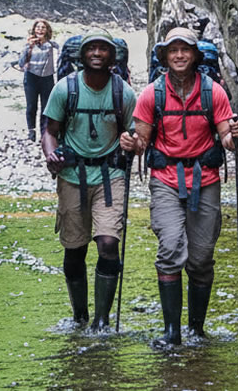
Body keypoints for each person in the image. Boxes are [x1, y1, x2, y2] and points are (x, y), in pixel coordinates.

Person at [123, 27, 238, 346]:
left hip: (205, 180)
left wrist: (236, 134)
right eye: (173, 50)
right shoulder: (152, 93)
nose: (179, 55)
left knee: (202, 257)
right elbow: (142, 142)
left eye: (185, 50)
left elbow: (226, 138)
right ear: (164, 56)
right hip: (165, 181)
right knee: (170, 249)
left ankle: (197, 329)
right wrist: (130, 143)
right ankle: (172, 332)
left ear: (194, 55)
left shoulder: (213, 91)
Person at [40, 32, 139, 331]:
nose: (97, 53)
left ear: (113, 57)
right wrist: (50, 154)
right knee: (75, 249)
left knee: (108, 244)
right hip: (72, 177)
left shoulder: (124, 93)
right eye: (91, 49)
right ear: (82, 56)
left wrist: (132, 143)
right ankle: (80, 315)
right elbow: (50, 130)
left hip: (112, 176)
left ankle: (102, 320)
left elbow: (136, 132)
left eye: (103, 49)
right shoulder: (65, 89)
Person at [12, 19, 59, 141]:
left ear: (47, 30)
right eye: (38, 27)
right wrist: (28, 47)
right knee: (31, 106)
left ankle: (44, 132)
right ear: (34, 30)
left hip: (47, 78)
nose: (40, 29)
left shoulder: (53, 46)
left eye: (43, 27)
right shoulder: (29, 45)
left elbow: (58, 62)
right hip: (31, 77)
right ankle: (31, 132)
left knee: (46, 107)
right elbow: (21, 63)